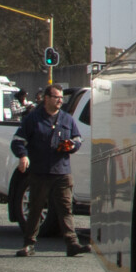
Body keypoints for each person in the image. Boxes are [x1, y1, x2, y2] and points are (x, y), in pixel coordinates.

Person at [13, 84, 88, 256]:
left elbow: (77, 139)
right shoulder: (33, 119)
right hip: (40, 172)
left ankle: (72, 244)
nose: (60, 100)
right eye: (56, 97)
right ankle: (29, 244)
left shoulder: (67, 119)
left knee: (65, 209)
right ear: (46, 98)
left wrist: (72, 145)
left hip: (62, 171)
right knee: (35, 209)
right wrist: (23, 156)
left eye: (62, 98)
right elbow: (17, 141)